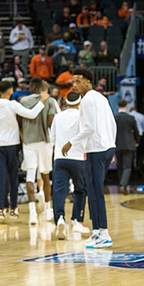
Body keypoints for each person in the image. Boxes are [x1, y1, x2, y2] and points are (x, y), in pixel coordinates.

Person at [61, 67, 116, 248]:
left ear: (87, 81)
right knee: (93, 191)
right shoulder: (101, 98)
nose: (74, 85)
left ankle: (104, 233)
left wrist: (71, 142)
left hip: (96, 150)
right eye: (73, 82)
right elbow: (112, 123)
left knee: (94, 192)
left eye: (77, 81)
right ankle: (96, 232)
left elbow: (89, 128)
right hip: (106, 148)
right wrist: (112, 145)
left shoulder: (86, 101)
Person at [0, 79, 48, 221]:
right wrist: (42, 101)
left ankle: (1, 209)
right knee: (13, 175)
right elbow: (31, 114)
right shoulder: (12, 104)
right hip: (12, 143)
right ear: (10, 91)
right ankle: (14, 208)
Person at [19, 77, 59, 224]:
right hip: (44, 142)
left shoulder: (23, 101)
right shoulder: (49, 101)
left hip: (29, 142)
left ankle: (32, 213)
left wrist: (23, 137)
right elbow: (50, 122)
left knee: (30, 176)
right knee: (46, 176)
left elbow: (20, 122)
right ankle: (47, 210)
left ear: (34, 87)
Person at [50, 91, 89, 239]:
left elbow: (52, 138)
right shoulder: (81, 117)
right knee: (80, 190)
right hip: (78, 158)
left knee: (59, 191)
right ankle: (77, 220)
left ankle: (60, 218)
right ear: (80, 103)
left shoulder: (58, 117)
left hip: (60, 158)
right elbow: (85, 136)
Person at [114, 99, 139, 192]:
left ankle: (121, 183)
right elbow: (136, 131)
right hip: (129, 144)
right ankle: (123, 184)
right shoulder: (130, 118)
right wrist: (137, 141)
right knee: (127, 166)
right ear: (126, 107)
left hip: (117, 144)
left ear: (117, 106)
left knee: (119, 166)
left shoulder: (114, 117)